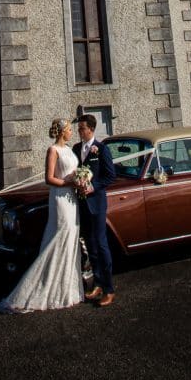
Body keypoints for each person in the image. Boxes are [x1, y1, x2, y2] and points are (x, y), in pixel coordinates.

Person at [0, 118, 84, 314]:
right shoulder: (53, 150)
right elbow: (49, 178)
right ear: (61, 132)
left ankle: (66, 290)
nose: (71, 132)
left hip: (71, 198)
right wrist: (71, 183)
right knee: (60, 236)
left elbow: (73, 171)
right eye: (69, 130)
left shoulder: (69, 149)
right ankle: (42, 288)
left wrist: (81, 178)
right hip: (60, 198)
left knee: (71, 238)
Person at [73, 114, 117, 306]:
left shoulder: (101, 149)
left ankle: (109, 288)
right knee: (90, 244)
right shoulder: (76, 148)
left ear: (91, 129)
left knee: (101, 243)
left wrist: (93, 186)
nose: (79, 131)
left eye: (82, 128)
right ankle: (97, 283)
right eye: (79, 128)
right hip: (82, 204)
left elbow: (110, 176)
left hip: (97, 203)